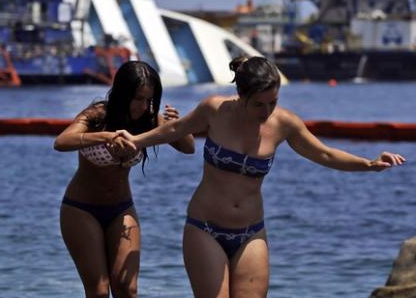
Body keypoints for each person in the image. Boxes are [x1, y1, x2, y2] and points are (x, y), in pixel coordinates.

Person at [116, 56, 406, 298]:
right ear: (241, 95)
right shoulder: (214, 110)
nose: (267, 111)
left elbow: (325, 154)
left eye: (273, 102)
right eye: (259, 104)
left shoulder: (284, 123)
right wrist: (136, 140)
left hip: (251, 233)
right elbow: (173, 131)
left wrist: (368, 163)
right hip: (204, 228)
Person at [54, 60, 195, 298]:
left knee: (127, 289)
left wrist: (176, 125)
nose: (143, 106)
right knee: (99, 291)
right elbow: (61, 142)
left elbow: (188, 147)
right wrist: (105, 136)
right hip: (81, 209)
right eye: (138, 98)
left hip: (121, 209)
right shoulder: (98, 114)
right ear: (122, 94)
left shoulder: (150, 118)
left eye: (149, 100)